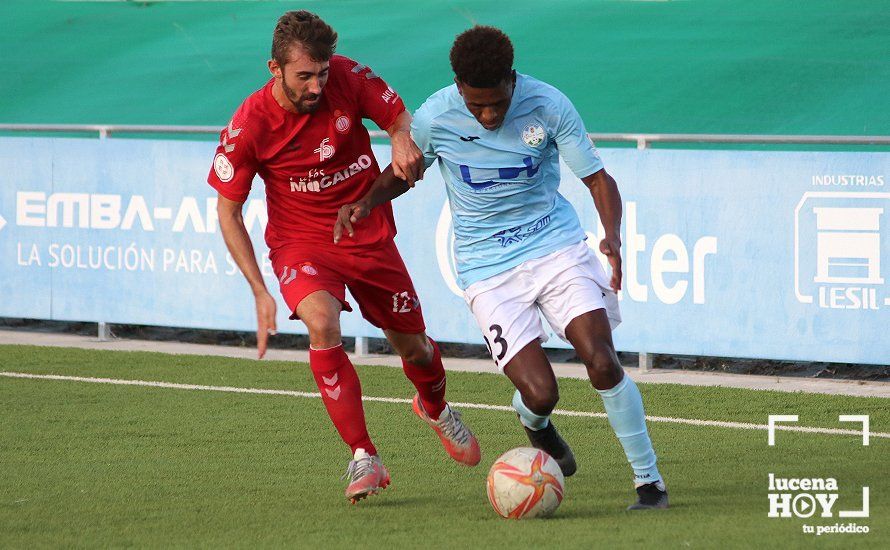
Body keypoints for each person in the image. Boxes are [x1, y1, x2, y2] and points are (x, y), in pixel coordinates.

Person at [334, 25, 667, 510]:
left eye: (497, 104)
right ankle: (536, 424)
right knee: (541, 391)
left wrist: (611, 236)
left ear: (512, 80)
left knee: (600, 358)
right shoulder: (433, 117)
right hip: (487, 269)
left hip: (556, 246)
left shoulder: (548, 105)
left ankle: (649, 482)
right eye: (476, 106)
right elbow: (404, 174)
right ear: (459, 88)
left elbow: (598, 179)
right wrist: (366, 201)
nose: (488, 116)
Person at [208, 10, 480, 504]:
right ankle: (363, 455)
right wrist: (259, 290)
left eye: (322, 73)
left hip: (365, 228)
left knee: (414, 347)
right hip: (301, 242)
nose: (316, 86)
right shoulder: (249, 125)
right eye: (304, 76)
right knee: (322, 324)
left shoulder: (350, 77)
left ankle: (435, 408)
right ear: (275, 69)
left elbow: (399, 117)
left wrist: (400, 138)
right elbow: (228, 211)